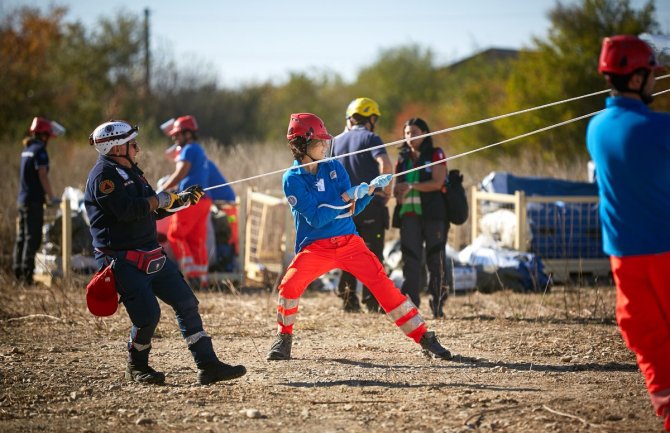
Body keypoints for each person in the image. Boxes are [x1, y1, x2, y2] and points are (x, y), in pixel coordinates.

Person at [266, 113, 452, 361]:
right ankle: (284, 339)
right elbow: (317, 218)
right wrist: (347, 197)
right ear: (303, 144)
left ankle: (424, 337)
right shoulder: (292, 179)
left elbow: (353, 209)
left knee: (384, 288)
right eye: (320, 141)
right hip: (315, 247)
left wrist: (370, 190)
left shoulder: (333, 166)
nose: (325, 146)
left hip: (349, 242)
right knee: (289, 286)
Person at [85, 120, 246, 385]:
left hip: (151, 253)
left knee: (186, 303)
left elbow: (155, 209)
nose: (136, 147)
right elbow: (128, 210)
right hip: (122, 260)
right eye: (131, 143)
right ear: (115, 148)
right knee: (148, 316)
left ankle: (208, 365)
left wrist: (181, 201)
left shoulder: (132, 171)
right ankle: (136, 367)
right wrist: (159, 199)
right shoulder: (104, 177)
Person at [586, 35, 670, 431]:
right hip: (665, 253)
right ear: (636, 78)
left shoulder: (595, 128)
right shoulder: (659, 127)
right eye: (651, 73)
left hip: (624, 259)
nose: (655, 80)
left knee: (649, 342)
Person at [331, 97, 393, 313]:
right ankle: (372, 302)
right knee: (372, 254)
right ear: (372, 118)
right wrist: (387, 192)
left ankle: (348, 300)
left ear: (350, 118)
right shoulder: (371, 138)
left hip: (344, 208)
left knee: (347, 252)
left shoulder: (336, 141)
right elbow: (385, 164)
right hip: (371, 206)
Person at [393, 118, 448, 319]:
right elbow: (398, 185)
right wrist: (397, 192)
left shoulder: (436, 153)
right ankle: (411, 304)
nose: (410, 137)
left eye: (414, 133)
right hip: (408, 214)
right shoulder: (402, 157)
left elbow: (437, 182)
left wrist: (412, 187)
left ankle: (438, 302)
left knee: (436, 258)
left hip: (433, 214)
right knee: (410, 259)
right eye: (407, 133)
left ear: (425, 133)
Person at [160, 115, 212, 289]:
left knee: (175, 235)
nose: (174, 138)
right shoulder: (199, 149)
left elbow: (180, 173)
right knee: (196, 239)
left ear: (188, 133)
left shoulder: (188, 150)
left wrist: (161, 190)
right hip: (203, 200)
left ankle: (189, 275)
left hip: (190, 200)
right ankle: (201, 278)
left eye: (177, 134)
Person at [13, 117, 65, 285]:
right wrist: (52, 197)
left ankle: (18, 273)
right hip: (34, 201)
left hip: (22, 200)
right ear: (44, 135)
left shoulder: (27, 149)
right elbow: (42, 175)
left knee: (21, 238)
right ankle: (26, 279)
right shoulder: (40, 151)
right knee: (32, 238)